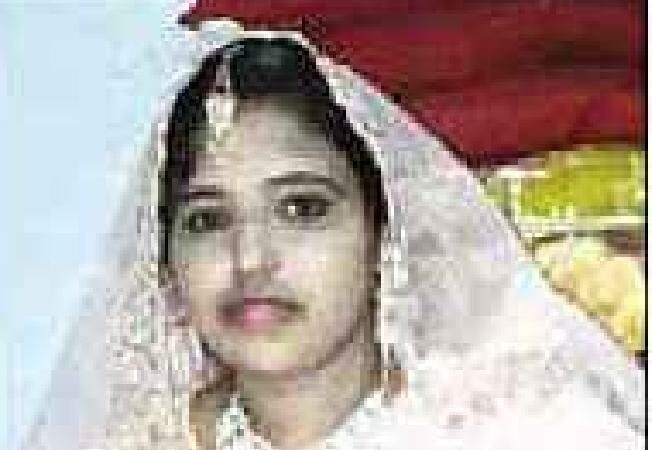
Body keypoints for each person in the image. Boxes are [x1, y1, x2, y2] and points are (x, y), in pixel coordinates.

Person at [24, 28, 644, 450]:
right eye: (207, 220)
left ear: (383, 235)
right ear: (165, 263)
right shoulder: (135, 439)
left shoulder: (526, 430)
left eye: (302, 208)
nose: (250, 259)